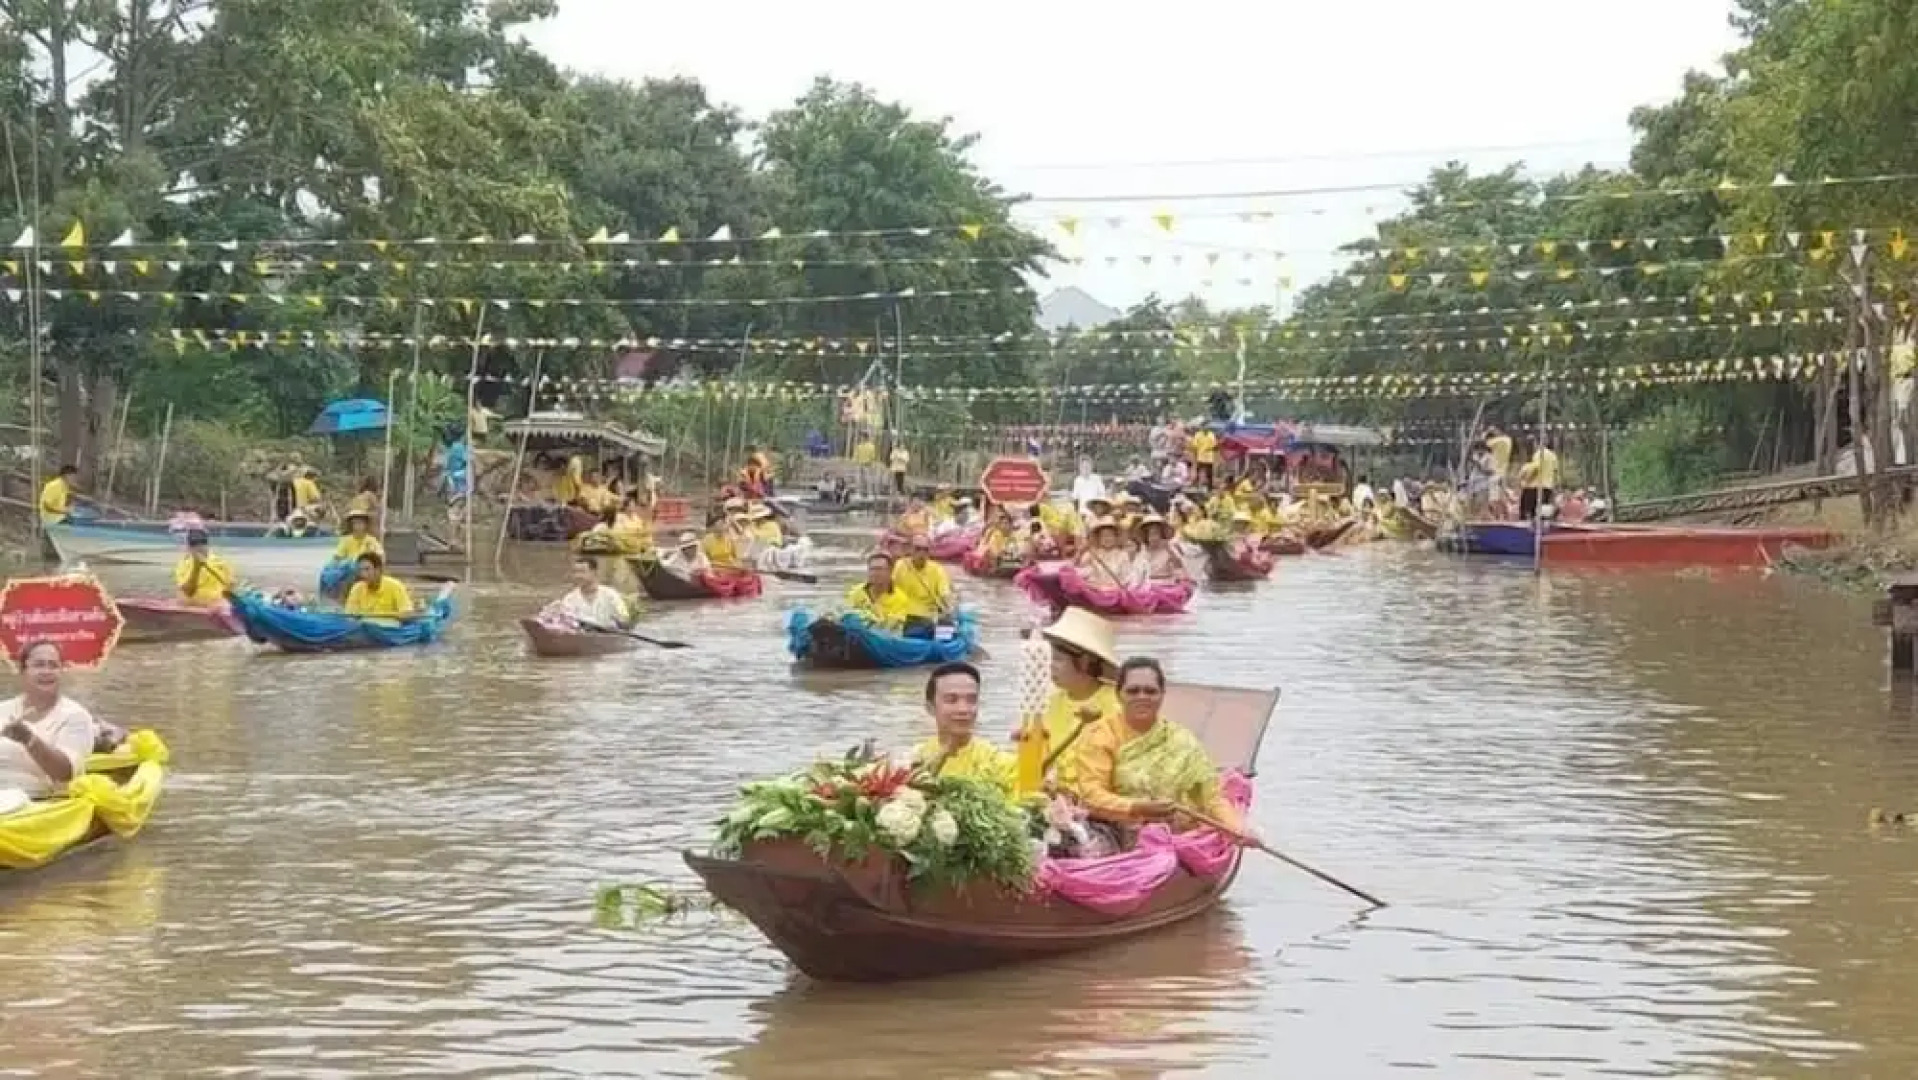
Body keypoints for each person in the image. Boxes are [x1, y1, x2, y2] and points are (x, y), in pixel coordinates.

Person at [1074, 657, 1247, 842]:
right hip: (1117, 837)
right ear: (1119, 695)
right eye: (1133, 691)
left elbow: (1212, 797)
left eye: (1150, 691)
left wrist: (1237, 829)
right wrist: (1137, 808)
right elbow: (1092, 796)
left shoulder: (1181, 739)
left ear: (1162, 695)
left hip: (1176, 837)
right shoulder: (1101, 736)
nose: (1142, 697)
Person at [1033, 607, 1122, 789]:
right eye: (1050, 658)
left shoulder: (1116, 705)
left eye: (1058, 659)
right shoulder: (1049, 704)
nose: (1050, 665)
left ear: (1084, 662)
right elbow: (1037, 761)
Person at [0, 641, 99, 803]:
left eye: (53, 666)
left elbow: (64, 773)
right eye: (39, 665)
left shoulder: (75, 716)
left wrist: (29, 739)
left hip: (39, 802)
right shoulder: (3, 709)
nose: (46, 672)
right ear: (23, 671)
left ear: (61, 672)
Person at [911, 662, 1016, 794]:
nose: (963, 709)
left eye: (971, 700)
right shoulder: (916, 759)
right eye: (951, 700)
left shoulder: (997, 762)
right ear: (930, 708)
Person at [547, 556, 630, 628]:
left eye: (582, 572)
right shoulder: (570, 599)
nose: (578, 576)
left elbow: (624, 621)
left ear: (594, 572)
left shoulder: (610, 595)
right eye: (575, 572)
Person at [893, 534, 957, 623]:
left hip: (926, 617)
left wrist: (950, 608)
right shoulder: (900, 565)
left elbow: (945, 593)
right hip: (901, 613)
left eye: (925, 550)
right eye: (918, 549)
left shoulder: (937, 569)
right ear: (910, 549)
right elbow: (889, 588)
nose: (922, 553)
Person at [844, 551, 915, 629]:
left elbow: (892, 628)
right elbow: (845, 613)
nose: (875, 573)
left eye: (879, 569)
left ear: (890, 571)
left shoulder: (900, 599)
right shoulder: (857, 592)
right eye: (872, 569)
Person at [173, 529, 237, 607]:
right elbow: (188, 592)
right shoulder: (183, 564)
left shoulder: (220, 562)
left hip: (217, 603)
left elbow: (230, 586)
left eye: (202, 542)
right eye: (194, 544)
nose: (199, 547)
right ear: (189, 547)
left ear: (207, 544)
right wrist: (196, 567)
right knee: (181, 595)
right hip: (193, 604)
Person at [342, 552, 414, 618]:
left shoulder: (395, 585)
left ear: (378, 570)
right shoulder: (357, 588)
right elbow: (349, 615)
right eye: (360, 570)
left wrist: (387, 616)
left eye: (367, 569)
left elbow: (407, 614)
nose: (363, 574)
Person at [1075, 518, 1132, 591]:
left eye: (1110, 535)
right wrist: (1080, 552)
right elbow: (1079, 570)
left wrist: (1112, 589)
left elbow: (1126, 578)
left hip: (1115, 592)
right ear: (1099, 538)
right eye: (1103, 535)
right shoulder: (1092, 554)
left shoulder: (1123, 555)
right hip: (1094, 591)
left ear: (1116, 537)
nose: (1107, 538)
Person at [1136, 514, 1190, 584]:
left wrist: (1169, 550)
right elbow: (1139, 571)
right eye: (1150, 534)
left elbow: (1179, 566)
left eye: (1156, 533)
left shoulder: (1169, 548)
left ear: (1162, 534)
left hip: (1166, 584)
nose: (1153, 537)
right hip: (1148, 584)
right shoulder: (1143, 550)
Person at [1517, 438, 1560, 521]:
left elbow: (1536, 468)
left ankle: (1527, 523)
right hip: (1547, 486)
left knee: (1528, 510)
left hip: (1535, 486)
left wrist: (1527, 481)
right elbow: (1555, 472)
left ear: (1537, 443)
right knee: (1542, 511)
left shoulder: (1538, 454)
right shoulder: (1553, 456)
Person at [1187, 425, 1219, 489]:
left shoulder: (1211, 435)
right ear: (1202, 428)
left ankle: (1210, 487)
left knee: (1209, 473)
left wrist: (1212, 448)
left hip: (1209, 458)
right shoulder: (1198, 435)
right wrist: (1195, 455)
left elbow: (1215, 445)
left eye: (1207, 427)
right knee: (1198, 471)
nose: (1206, 428)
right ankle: (1196, 486)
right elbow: (1194, 446)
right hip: (1200, 457)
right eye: (1204, 427)